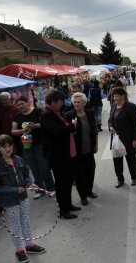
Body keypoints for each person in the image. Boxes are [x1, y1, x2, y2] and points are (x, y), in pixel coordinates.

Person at [0, 135, 46, 263]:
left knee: (25, 221)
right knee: (15, 225)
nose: (8, 148)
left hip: (23, 197)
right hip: (10, 200)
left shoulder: (18, 159)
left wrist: (29, 184)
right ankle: (19, 250)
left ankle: (29, 245)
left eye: (10, 145)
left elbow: (26, 175)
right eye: (4, 147)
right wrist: (13, 190)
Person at [40, 90, 80, 219]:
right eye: (60, 101)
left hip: (64, 152)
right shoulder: (47, 114)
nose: (62, 103)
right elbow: (56, 131)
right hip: (57, 155)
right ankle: (63, 210)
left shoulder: (56, 112)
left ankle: (68, 205)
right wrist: (71, 126)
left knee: (67, 181)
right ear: (53, 102)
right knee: (62, 183)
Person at [12, 96, 55, 199]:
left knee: (44, 166)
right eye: (18, 105)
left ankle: (51, 188)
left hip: (40, 143)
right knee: (34, 168)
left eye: (22, 103)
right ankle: (39, 189)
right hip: (27, 145)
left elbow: (45, 124)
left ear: (27, 103)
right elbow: (13, 131)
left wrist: (34, 126)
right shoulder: (17, 116)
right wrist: (23, 131)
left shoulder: (37, 111)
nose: (21, 106)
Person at [66, 93, 98, 206]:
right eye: (74, 102)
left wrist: (96, 144)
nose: (76, 104)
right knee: (80, 174)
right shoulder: (69, 115)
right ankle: (83, 196)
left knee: (91, 170)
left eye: (78, 102)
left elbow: (94, 130)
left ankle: (89, 191)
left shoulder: (90, 113)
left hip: (89, 148)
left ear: (84, 103)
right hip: (77, 151)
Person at [108, 87, 136, 187]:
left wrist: (135, 139)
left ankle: (134, 177)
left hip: (128, 139)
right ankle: (120, 179)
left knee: (130, 160)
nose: (114, 98)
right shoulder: (113, 106)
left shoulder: (130, 107)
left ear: (122, 96)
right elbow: (110, 120)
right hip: (116, 139)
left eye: (116, 96)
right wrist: (110, 127)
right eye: (113, 96)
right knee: (117, 161)